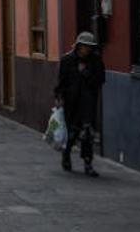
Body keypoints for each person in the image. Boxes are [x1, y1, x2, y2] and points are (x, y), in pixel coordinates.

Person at [54, 31, 105, 177]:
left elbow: (100, 80)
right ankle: (67, 154)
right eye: (84, 46)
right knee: (72, 132)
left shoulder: (96, 61)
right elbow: (61, 81)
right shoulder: (67, 60)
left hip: (88, 102)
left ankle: (88, 163)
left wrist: (87, 74)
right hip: (71, 102)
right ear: (78, 46)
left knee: (87, 133)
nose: (86, 49)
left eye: (89, 47)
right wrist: (58, 97)